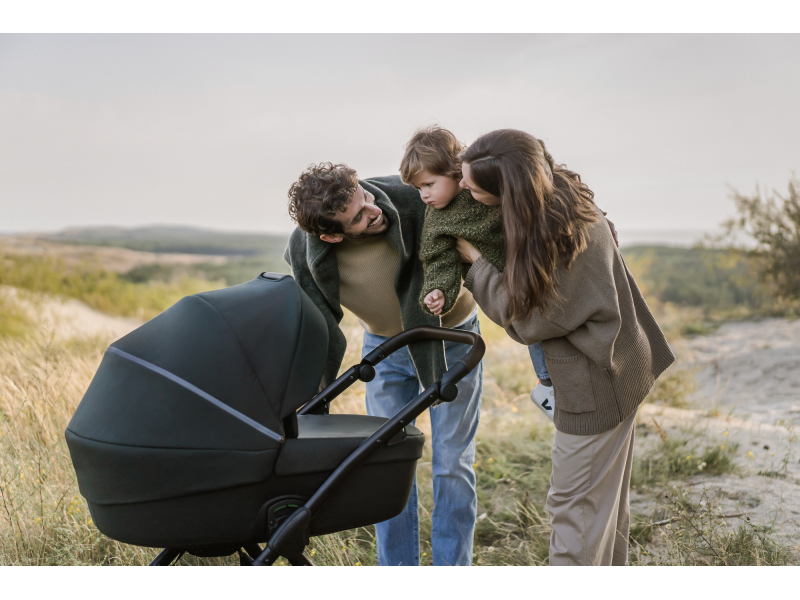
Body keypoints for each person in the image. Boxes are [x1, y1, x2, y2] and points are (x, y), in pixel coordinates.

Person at [455, 129, 675, 565]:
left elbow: (526, 319)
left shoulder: (557, 241)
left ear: (510, 193)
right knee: (604, 510)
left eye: (472, 186)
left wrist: (474, 262)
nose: (462, 186)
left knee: (574, 510)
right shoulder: (562, 195)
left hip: (596, 384)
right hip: (621, 367)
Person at [284, 163, 482, 566]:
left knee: (452, 463)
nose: (374, 211)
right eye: (359, 216)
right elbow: (317, 326)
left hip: (453, 341)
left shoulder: (414, 197)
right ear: (331, 236)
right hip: (384, 350)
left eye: (366, 198)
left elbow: (487, 202)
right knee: (385, 467)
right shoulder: (306, 252)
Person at [399, 125, 555, 421]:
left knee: (554, 319)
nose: (424, 195)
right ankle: (547, 384)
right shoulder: (438, 219)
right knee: (531, 325)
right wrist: (438, 290)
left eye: (429, 184)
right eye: (418, 189)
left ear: (455, 170)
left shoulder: (487, 180)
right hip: (503, 282)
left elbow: (528, 165)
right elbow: (438, 259)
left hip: (533, 260)